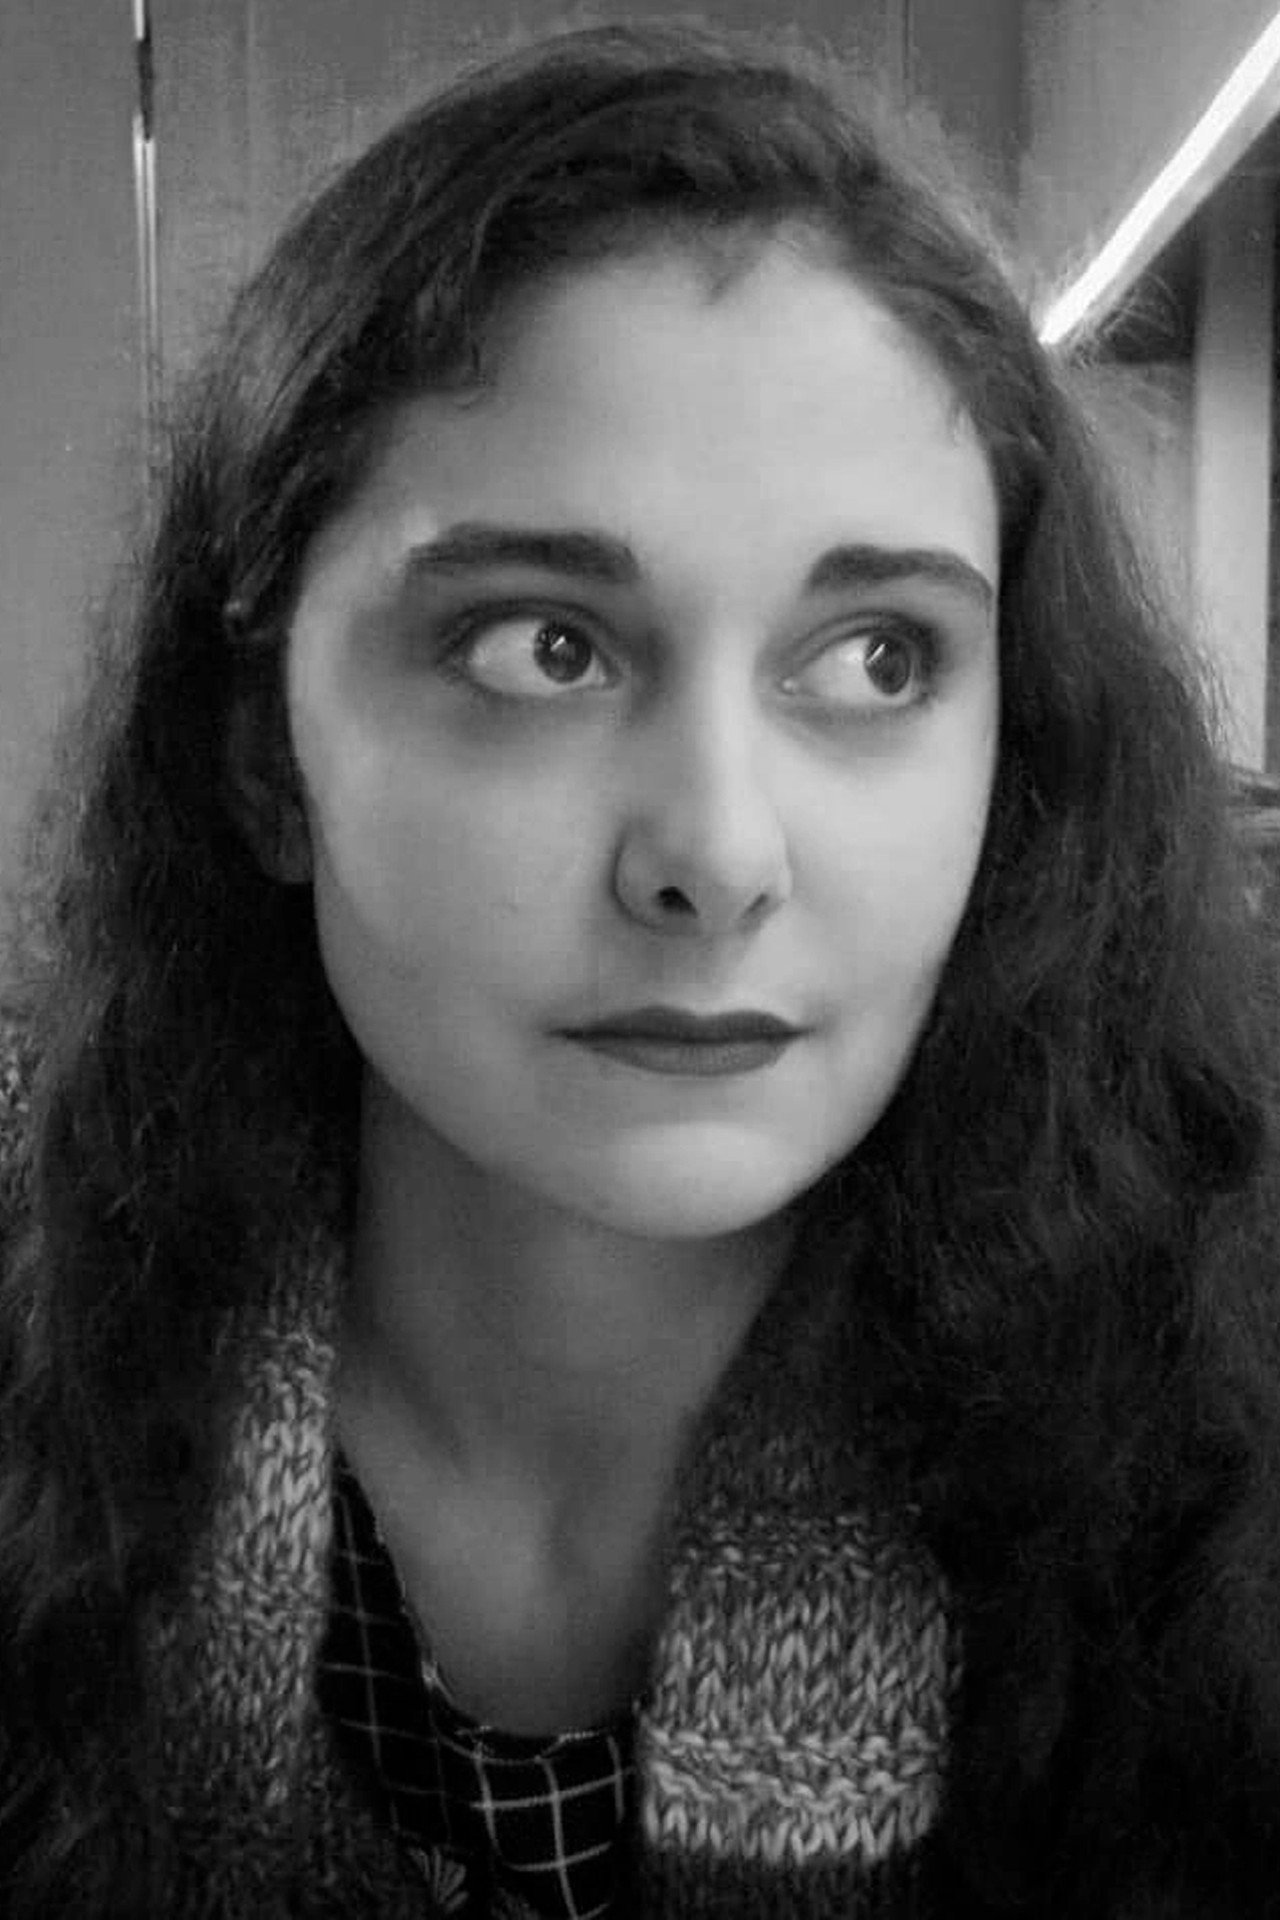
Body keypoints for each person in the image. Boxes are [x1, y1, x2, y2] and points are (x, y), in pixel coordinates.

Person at [2, 17, 1279, 1918]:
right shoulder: (42, 1381)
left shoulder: (1211, 1470)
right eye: (543, 648)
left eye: (877, 660)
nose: (719, 858)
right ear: (265, 752)